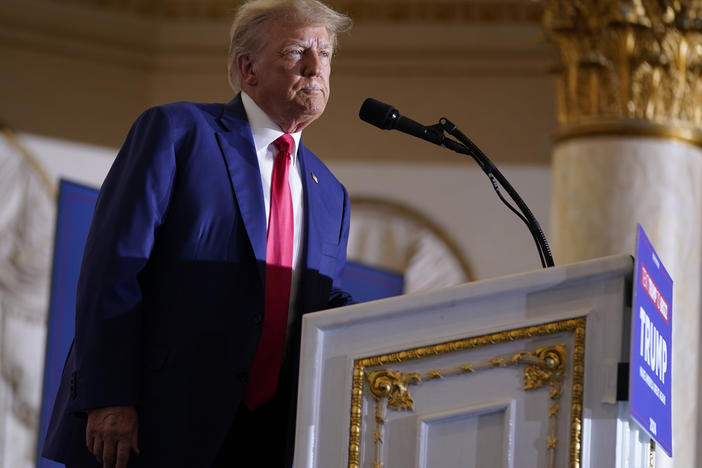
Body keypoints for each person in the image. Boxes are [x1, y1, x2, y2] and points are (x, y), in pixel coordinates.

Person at [42, 1, 354, 466]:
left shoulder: (330, 193)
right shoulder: (178, 132)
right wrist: (109, 395)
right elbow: (114, 268)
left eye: (325, 54)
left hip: (264, 439)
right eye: (295, 52)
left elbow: (312, 305)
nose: (315, 67)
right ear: (248, 69)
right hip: (150, 424)